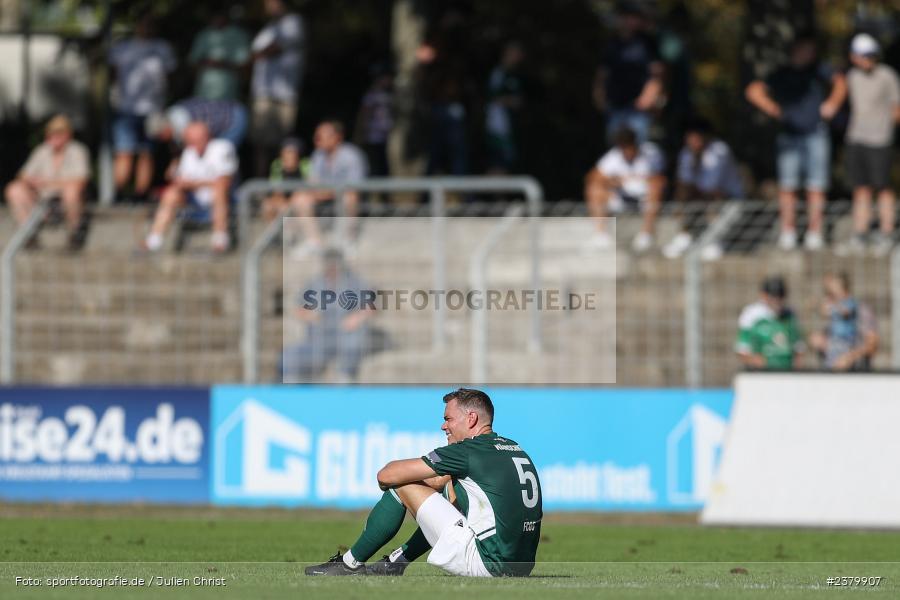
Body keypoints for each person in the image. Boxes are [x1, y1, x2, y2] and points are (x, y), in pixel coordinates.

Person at [305, 388, 543, 578]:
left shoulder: (467, 451)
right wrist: (439, 483)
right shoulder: (513, 447)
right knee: (452, 487)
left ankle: (350, 564)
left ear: (471, 418)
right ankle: (395, 562)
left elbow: (386, 475)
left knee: (402, 485)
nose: (443, 426)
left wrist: (404, 486)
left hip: (486, 564)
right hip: (522, 566)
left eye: (448, 419)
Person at [745, 32, 847, 252]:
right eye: (805, 49)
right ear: (796, 50)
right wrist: (773, 109)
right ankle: (788, 232)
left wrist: (832, 104)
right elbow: (753, 91)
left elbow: (840, 82)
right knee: (788, 186)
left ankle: (815, 232)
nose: (809, 53)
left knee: (816, 185)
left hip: (816, 132)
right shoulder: (781, 73)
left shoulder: (819, 70)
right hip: (790, 135)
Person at [839, 33, 900, 257]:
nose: (865, 59)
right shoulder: (851, 76)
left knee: (883, 187)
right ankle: (861, 232)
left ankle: (886, 231)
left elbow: (896, 108)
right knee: (860, 188)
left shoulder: (887, 76)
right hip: (856, 139)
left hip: (880, 140)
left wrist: (889, 131)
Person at [108, 13, 176, 201]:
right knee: (125, 151)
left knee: (147, 153)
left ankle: (140, 193)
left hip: (153, 109)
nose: (147, 28)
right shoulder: (123, 48)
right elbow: (113, 75)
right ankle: (119, 192)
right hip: (126, 108)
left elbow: (170, 76)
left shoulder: (163, 48)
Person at [142, 121, 238, 254]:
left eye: (196, 139)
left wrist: (193, 183)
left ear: (207, 136)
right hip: (195, 198)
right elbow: (182, 182)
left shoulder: (223, 148)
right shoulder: (188, 152)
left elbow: (224, 181)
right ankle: (154, 241)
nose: (193, 144)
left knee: (219, 191)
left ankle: (220, 240)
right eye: (190, 140)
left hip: (221, 198)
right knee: (171, 194)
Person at [281, 248, 373, 383]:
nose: (332, 267)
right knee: (289, 357)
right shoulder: (314, 284)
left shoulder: (355, 283)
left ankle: (345, 381)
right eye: (328, 263)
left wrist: (356, 318)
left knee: (352, 347)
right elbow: (299, 309)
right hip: (319, 337)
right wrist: (311, 316)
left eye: (335, 263)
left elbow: (370, 307)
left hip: (346, 336)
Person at [4, 115, 91, 250]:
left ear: (67, 134)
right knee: (14, 189)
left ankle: (75, 235)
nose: (54, 136)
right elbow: (23, 175)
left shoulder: (77, 151)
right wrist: (31, 181)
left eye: (58, 132)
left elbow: (81, 180)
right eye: (51, 132)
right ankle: (28, 234)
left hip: (66, 198)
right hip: (41, 198)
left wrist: (49, 183)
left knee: (71, 190)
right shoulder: (42, 151)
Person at [663, 118, 744, 260]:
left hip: (729, 199)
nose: (692, 141)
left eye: (696, 137)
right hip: (701, 197)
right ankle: (684, 235)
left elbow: (713, 185)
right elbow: (685, 181)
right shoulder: (687, 153)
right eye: (689, 137)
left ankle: (714, 242)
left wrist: (694, 189)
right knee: (681, 193)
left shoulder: (720, 150)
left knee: (713, 198)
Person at [290, 120, 367, 255]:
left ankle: (348, 240)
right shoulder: (318, 155)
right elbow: (311, 183)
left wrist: (325, 193)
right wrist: (318, 192)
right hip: (324, 196)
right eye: (316, 137)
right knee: (300, 198)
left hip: (342, 196)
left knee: (350, 197)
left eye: (321, 137)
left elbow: (354, 187)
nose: (317, 141)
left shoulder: (351, 156)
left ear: (337, 137)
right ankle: (314, 241)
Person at [584, 127, 665, 252]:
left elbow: (660, 179)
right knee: (595, 189)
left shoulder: (651, 153)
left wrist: (635, 180)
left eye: (629, 146)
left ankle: (646, 234)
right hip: (621, 197)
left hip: (644, 198)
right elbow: (593, 177)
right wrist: (612, 181)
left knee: (656, 187)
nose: (626, 151)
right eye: (623, 147)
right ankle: (600, 234)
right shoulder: (613, 156)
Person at [592, 2, 664, 144]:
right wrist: (599, 94)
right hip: (615, 105)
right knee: (616, 149)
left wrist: (648, 97)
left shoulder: (647, 43)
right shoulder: (612, 44)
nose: (629, 21)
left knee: (638, 148)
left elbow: (658, 74)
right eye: (626, 17)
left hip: (638, 108)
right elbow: (603, 73)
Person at [250, 0, 305, 176]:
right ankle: (261, 183)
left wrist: (257, 55)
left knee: (284, 144)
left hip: (285, 94)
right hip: (262, 93)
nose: (270, 6)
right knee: (261, 143)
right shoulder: (267, 30)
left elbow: (273, 49)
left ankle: (282, 182)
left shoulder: (293, 22)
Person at [809, 272, 878, 372]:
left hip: (853, 366)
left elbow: (872, 345)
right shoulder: (833, 310)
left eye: (833, 289)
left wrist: (850, 357)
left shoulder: (860, 309)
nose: (830, 294)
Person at [735, 276, 805, 371]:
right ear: (763, 295)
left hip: (786, 374)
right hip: (761, 374)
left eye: (780, 296)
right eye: (773, 296)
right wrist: (757, 362)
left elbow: (798, 348)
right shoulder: (752, 315)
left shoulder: (790, 315)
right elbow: (742, 348)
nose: (776, 300)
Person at [188, 6, 250, 101]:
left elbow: (245, 65)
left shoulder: (239, 35)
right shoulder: (203, 35)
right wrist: (206, 63)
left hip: (229, 92)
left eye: (219, 16)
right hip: (203, 92)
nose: (216, 19)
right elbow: (193, 62)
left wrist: (222, 64)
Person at [485, 41, 526, 174]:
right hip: (497, 127)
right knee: (498, 165)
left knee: (505, 165)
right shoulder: (498, 73)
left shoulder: (517, 75)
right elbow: (492, 97)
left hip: (510, 128)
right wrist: (510, 100)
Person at [146, 97, 249, 148]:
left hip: (232, 120)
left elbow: (200, 146)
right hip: (232, 111)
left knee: (221, 158)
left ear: (164, 129)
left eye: (160, 137)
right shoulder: (174, 114)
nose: (162, 140)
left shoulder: (182, 125)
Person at [354, 65, 394, 177]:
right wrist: (363, 133)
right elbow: (365, 115)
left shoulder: (388, 94)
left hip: (385, 136)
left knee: (384, 166)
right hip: (373, 137)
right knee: (375, 165)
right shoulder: (372, 95)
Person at [261, 137, 308, 222]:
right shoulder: (277, 165)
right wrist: (284, 203)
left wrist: (291, 202)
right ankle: (275, 233)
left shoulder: (305, 164)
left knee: (297, 203)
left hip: (299, 199)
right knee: (268, 205)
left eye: (291, 152)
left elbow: (308, 186)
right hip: (282, 199)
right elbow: (276, 190)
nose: (288, 155)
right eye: (286, 151)